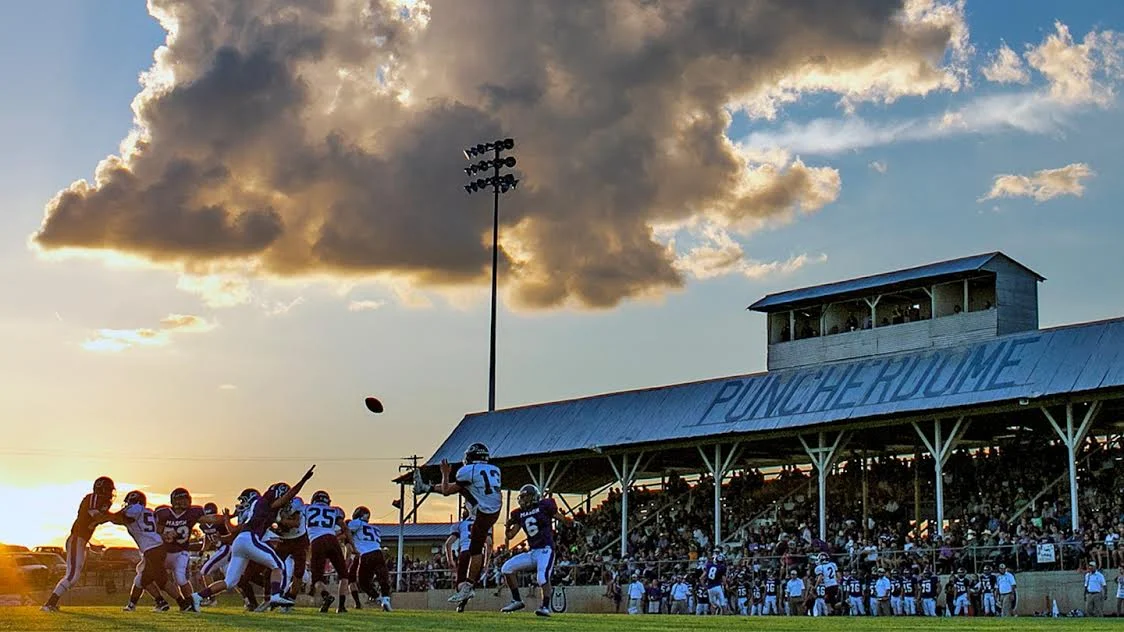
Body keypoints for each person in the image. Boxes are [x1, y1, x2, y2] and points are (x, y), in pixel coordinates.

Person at [188, 465, 315, 612]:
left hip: (240, 542)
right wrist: (303, 480)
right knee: (278, 564)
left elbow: (239, 529)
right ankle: (275, 596)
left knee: (229, 581)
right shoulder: (270, 504)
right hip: (250, 539)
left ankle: (197, 597)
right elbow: (289, 496)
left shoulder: (258, 505)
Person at [41, 476, 116, 612]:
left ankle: (51, 603)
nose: (110, 494)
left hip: (81, 541)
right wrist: (116, 517)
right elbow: (95, 515)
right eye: (108, 490)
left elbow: (92, 521)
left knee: (74, 576)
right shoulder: (93, 498)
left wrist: (92, 543)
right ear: (101, 489)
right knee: (72, 575)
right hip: (76, 539)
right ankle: (49, 604)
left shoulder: (101, 502)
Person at [499, 484, 567, 617]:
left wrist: (571, 522)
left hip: (546, 549)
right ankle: (517, 600)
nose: (523, 500)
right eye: (522, 497)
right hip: (533, 551)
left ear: (532, 496)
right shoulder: (520, 513)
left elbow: (560, 518)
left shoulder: (544, 506)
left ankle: (545, 607)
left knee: (542, 577)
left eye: (525, 497)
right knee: (506, 568)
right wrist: (507, 526)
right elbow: (510, 536)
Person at [114, 491, 183, 612]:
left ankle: (183, 603)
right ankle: (137, 604)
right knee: (141, 577)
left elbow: (118, 518)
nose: (126, 505)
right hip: (154, 548)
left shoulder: (135, 509)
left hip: (152, 549)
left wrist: (101, 517)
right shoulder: (150, 512)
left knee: (161, 580)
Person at [150, 488, 205, 609]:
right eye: (182, 499)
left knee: (180, 578)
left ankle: (192, 603)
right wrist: (164, 534)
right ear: (174, 501)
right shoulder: (163, 512)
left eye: (187, 498)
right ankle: (161, 602)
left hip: (181, 552)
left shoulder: (194, 512)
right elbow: (154, 529)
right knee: (145, 574)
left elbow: (208, 520)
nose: (186, 501)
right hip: (163, 553)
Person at [306, 490, 353, 613]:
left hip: (317, 541)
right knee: (344, 575)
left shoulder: (306, 508)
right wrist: (354, 546)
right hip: (332, 539)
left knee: (317, 578)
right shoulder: (335, 510)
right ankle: (341, 607)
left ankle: (326, 596)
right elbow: (345, 528)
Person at [348, 505, 393, 612]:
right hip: (378, 553)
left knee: (363, 583)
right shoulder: (375, 528)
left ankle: (378, 598)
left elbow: (346, 531)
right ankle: (386, 599)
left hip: (366, 555)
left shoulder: (356, 523)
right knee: (383, 579)